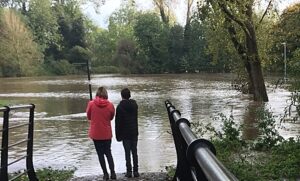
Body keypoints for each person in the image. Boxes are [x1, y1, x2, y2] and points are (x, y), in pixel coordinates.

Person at [86, 87, 116, 180]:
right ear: (106, 94)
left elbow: (88, 116)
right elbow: (111, 117)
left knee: (100, 154)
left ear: (97, 94)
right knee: (108, 153)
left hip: (96, 134)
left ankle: (105, 174)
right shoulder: (110, 105)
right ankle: (113, 173)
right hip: (106, 133)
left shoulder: (91, 104)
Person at [115, 88, 139, 178]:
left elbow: (118, 123)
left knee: (127, 153)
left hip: (125, 134)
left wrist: (118, 136)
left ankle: (129, 171)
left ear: (122, 96)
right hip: (134, 132)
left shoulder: (120, 107)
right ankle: (136, 171)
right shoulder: (134, 105)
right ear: (130, 95)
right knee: (134, 151)